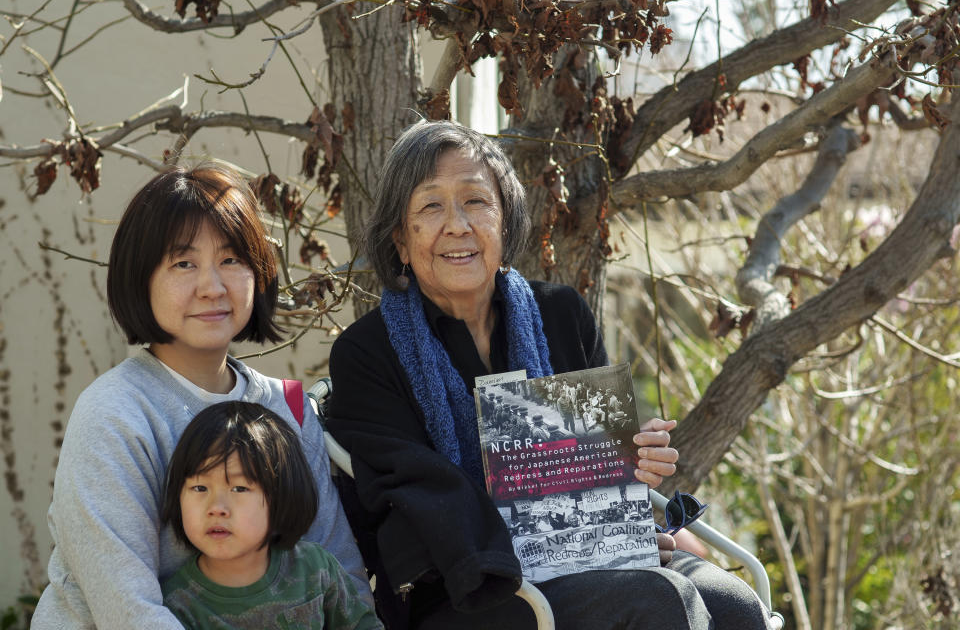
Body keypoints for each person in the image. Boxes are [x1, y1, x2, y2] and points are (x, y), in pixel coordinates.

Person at [326, 120, 771, 629]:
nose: (457, 224)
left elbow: (602, 471)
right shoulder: (367, 353)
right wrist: (550, 541)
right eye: (430, 206)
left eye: (476, 201)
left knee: (735, 605)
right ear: (401, 241)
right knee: (659, 599)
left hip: (595, 556)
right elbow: (419, 495)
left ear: (506, 222)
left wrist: (627, 464)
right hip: (470, 586)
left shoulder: (562, 313)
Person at [32, 163, 371, 628]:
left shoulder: (288, 407)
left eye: (231, 260)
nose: (212, 287)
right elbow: (129, 611)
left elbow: (343, 578)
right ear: (141, 277)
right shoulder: (114, 413)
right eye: (183, 263)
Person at [160, 401, 382, 629]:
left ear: (280, 496)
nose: (216, 507)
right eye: (200, 488)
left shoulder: (313, 568)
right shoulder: (175, 606)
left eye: (239, 488)